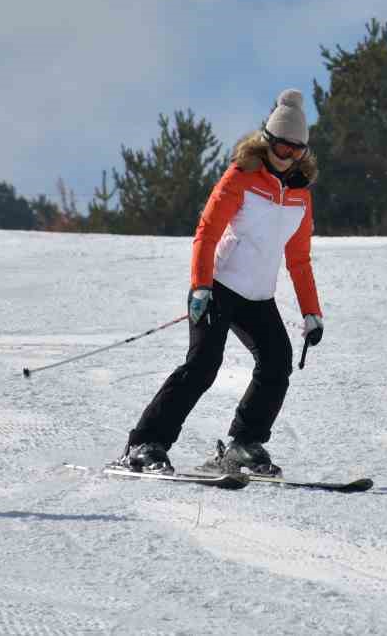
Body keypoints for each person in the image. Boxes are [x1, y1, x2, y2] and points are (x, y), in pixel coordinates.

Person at [115, 89, 324, 476]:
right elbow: (207, 231)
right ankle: (145, 442)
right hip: (218, 286)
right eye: (280, 146)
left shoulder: (300, 196)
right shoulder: (241, 177)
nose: (286, 155)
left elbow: (298, 259)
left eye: (296, 150)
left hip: (258, 295)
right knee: (203, 365)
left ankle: (244, 444)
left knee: (277, 362)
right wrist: (200, 285)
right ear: (267, 140)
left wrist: (312, 313)